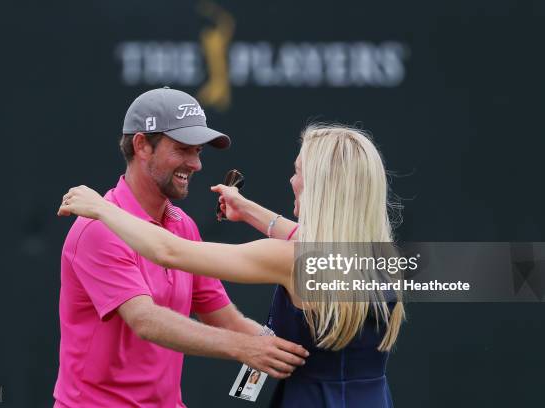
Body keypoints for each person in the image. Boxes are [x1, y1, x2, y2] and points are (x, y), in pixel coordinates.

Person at [58, 124, 405, 407]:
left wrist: (102, 208)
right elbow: (309, 239)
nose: (291, 181)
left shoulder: (288, 259)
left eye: (298, 172)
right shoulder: (379, 258)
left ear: (322, 186)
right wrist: (248, 210)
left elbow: (169, 252)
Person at [53, 87, 309, 408]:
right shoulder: (98, 228)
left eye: (198, 151)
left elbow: (225, 319)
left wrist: (296, 355)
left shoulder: (182, 224)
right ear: (142, 145)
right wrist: (245, 349)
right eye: (183, 149)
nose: (196, 164)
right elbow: (145, 320)